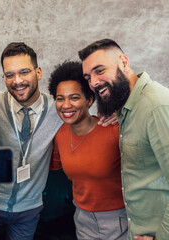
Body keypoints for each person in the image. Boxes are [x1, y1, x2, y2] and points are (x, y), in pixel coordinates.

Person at [78, 38, 169, 240]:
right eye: (88, 77)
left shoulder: (158, 108)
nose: (94, 82)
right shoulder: (131, 106)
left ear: (124, 63)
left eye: (100, 70)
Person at [0, 42, 64, 240]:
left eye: (24, 72)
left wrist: (110, 115)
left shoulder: (57, 108)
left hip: (29, 210)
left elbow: (84, 115)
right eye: (9, 75)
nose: (17, 81)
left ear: (38, 72)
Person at [48, 60, 127, 240]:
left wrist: (122, 113)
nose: (66, 105)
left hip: (118, 220)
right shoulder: (60, 135)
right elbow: (51, 167)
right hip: (82, 219)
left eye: (74, 97)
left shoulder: (113, 130)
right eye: (60, 98)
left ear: (89, 99)